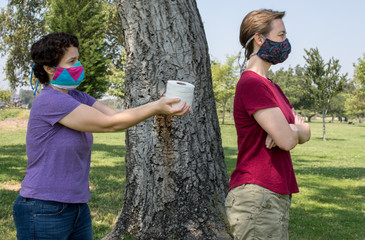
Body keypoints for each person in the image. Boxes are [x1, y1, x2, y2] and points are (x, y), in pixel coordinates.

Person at [12, 32, 190, 240]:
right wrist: (156, 106)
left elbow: (115, 115)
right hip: (43, 208)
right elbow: (109, 124)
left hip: (77, 208)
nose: (79, 65)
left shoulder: (77, 97)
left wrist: (160, 105)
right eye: (72, 61)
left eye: (78, 59)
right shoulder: (50, 101)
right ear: (50, 68)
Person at [225, 9, 311, 240]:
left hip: (274, 194)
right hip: (257, 195)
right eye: (281, 35)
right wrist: (291, 131)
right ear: (260, 39)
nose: (286, 42)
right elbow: (287, 140)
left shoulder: (271, 86)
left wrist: (292, 129)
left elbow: (302, 131)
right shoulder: (252, 84)